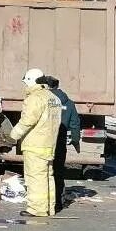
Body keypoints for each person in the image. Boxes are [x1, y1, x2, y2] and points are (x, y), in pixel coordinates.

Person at [9, 67, 63, 217]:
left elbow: (27, 121)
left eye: (26, 83)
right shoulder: (54, 98)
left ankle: (37, 209)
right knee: (47, 177)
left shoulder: (35, 98)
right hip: (49, 144)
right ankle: (49, 208)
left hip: (35, 145)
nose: (26, 87)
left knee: (35, 178)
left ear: (31, 81)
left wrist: (13, 135)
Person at [41, 75, 80, 211]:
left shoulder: (43, 100)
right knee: (58, 172)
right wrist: (75, 141)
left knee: (42, 172)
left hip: (43, 142)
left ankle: (43, 202)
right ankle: (57, 202)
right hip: (60, 143)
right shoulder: (68, 103)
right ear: (58, 86)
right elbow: (75, 124)